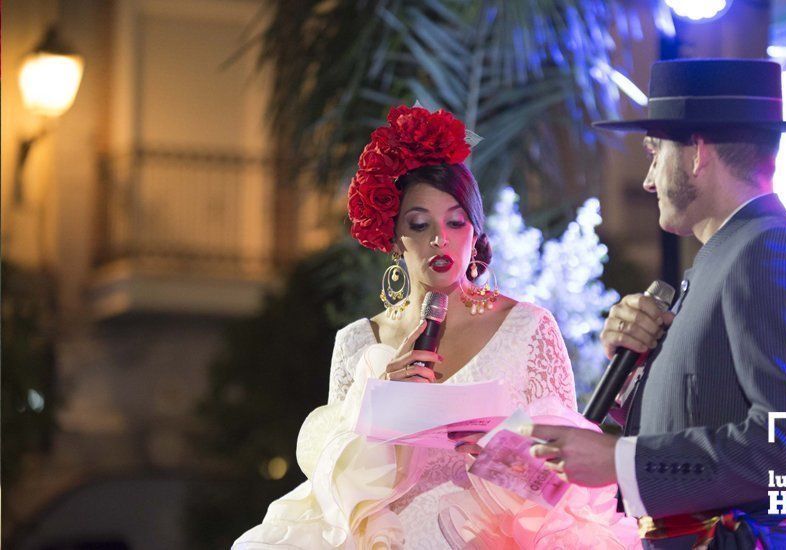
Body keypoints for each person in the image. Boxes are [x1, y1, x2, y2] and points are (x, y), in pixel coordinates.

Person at [233, 105, 639, 549]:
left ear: (475, 233)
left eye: (455, 221)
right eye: (419, 223)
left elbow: (565, 482)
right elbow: (337, 492)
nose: (439, 239)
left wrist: (498, 451)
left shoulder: (527, 327)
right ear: (392, 238)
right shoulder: (357, 341)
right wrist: (381, 405)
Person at [525, 59, 786, 549]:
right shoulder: (728, 255)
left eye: (655, 152)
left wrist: (619, 460)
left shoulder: (770, 251)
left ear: (697, 153)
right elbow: (703, 412)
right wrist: (629, 379)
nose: (649, 179)